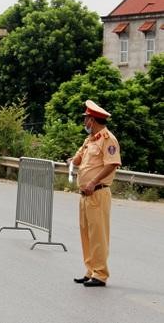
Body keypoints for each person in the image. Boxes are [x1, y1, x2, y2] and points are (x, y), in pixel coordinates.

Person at [69, 100, 121, 288]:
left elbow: (112, 164)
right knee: (86, 234)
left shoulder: (108, 139)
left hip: (97, 193)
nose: (84, 123)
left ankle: (100, 274)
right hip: (85, 195)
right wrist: (73, 160)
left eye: (86, 119)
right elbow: (78, 159)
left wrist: (92, 181)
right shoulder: (90, 140)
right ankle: (90, 270)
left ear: (92, 120)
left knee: (98, 235)